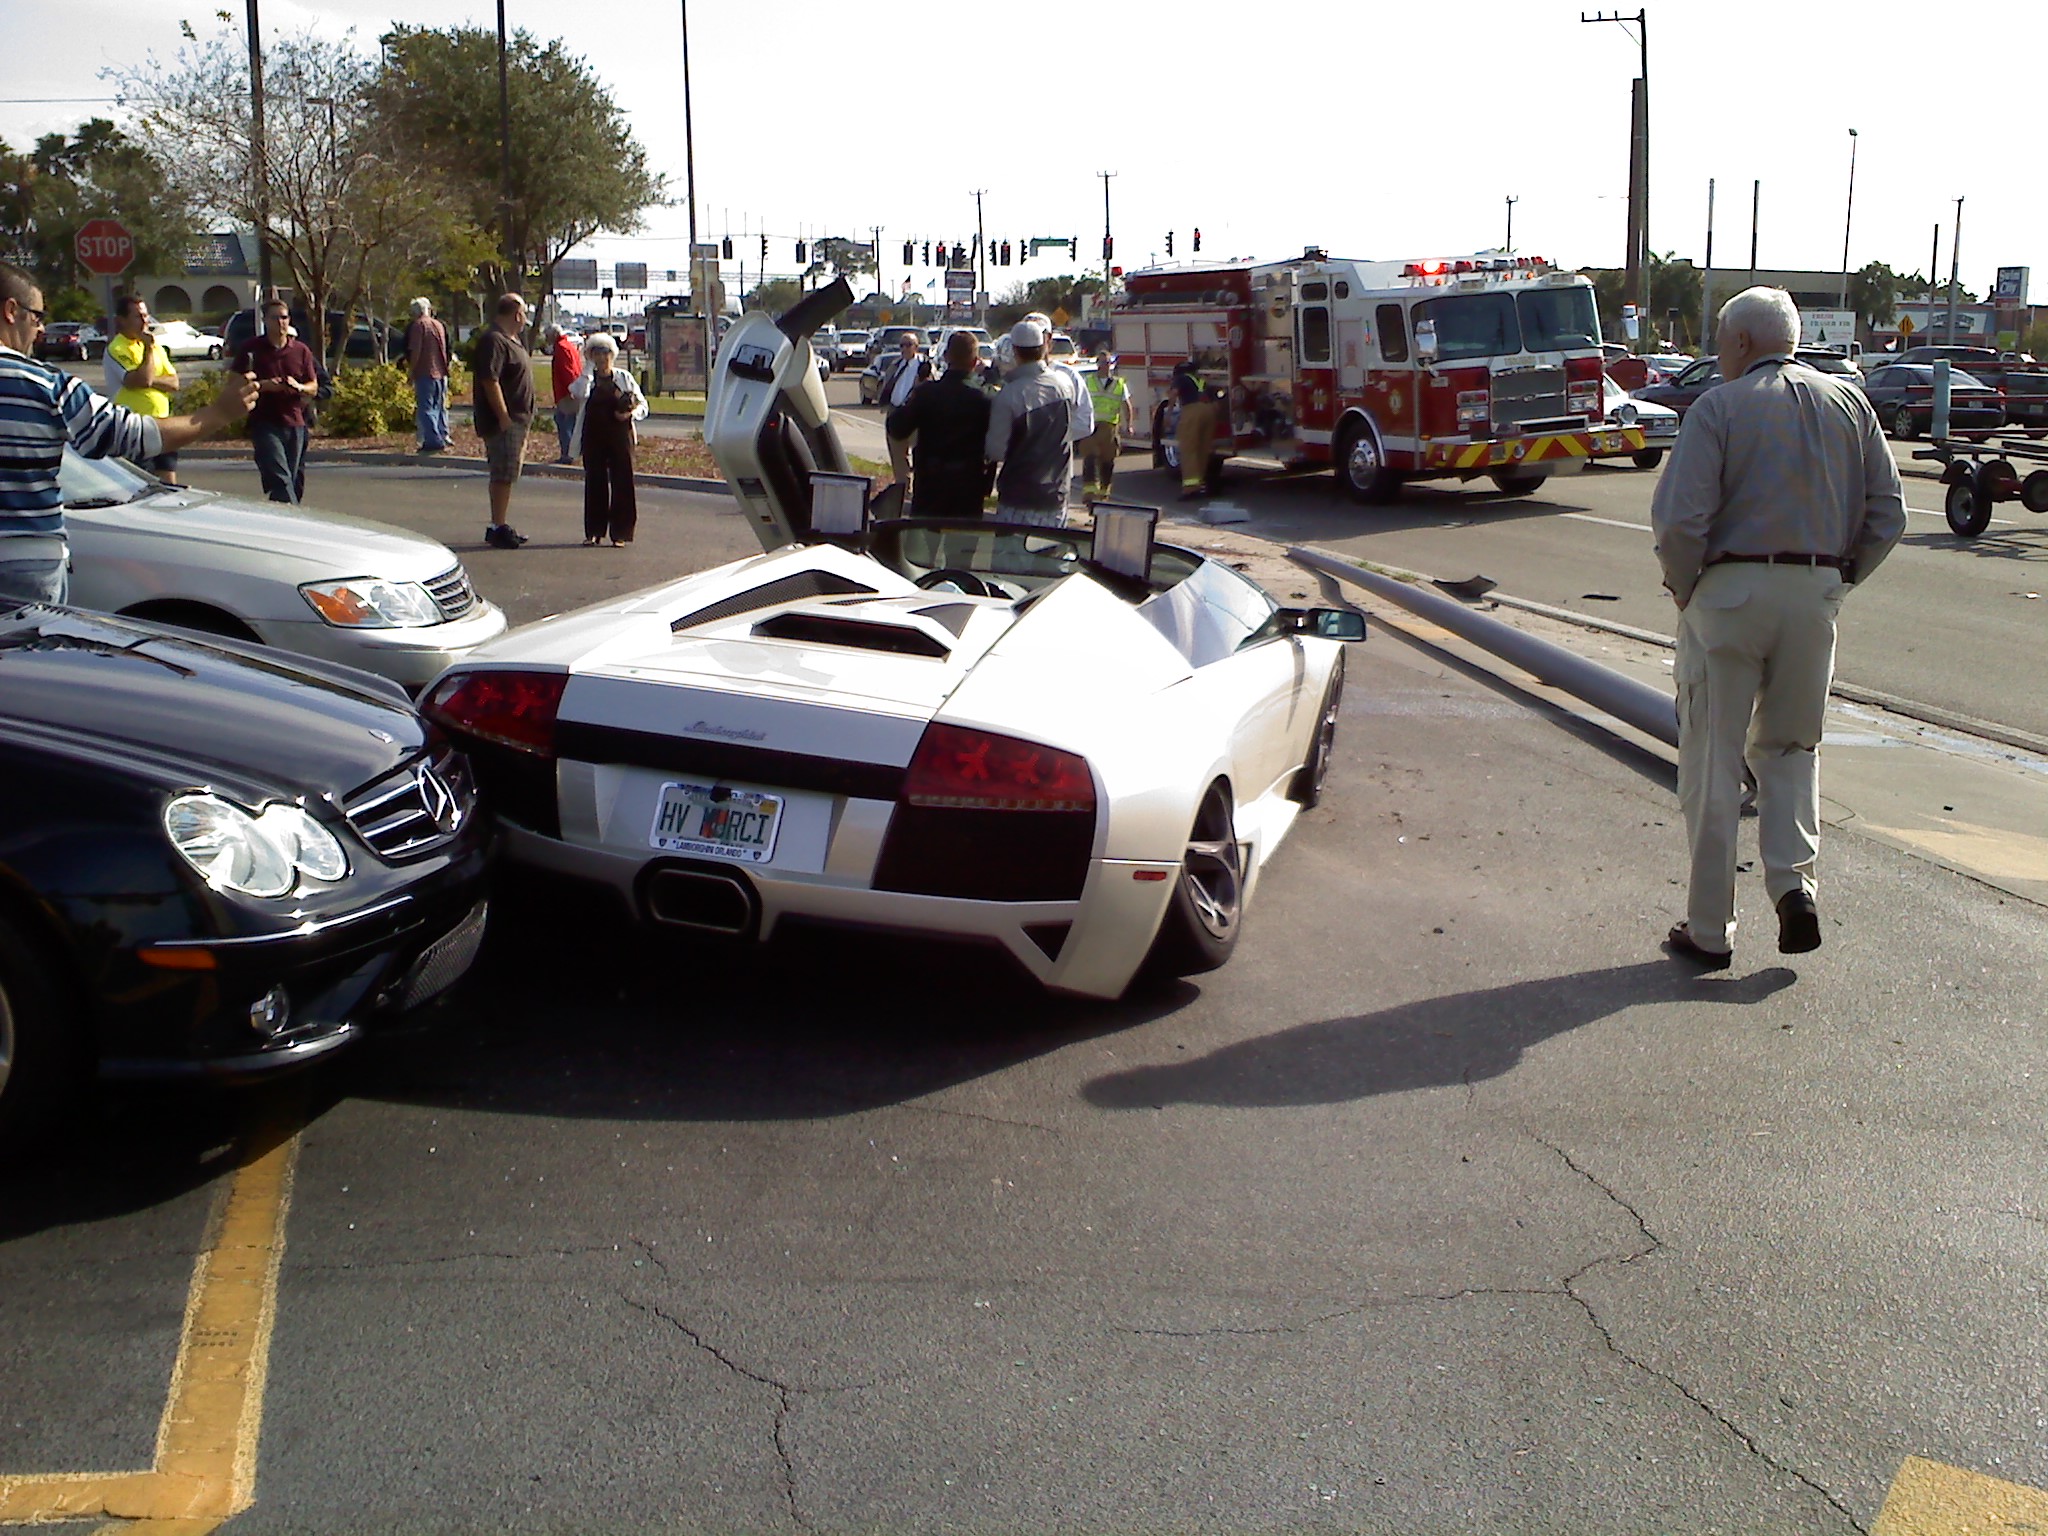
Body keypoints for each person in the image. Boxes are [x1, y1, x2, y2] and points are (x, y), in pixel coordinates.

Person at [1650, 286, 1906, 967]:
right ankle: (1794, 888)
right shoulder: (1851, 404)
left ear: (1738, 343)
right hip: (1815, 593)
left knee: (1713, 762)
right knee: (1793, 748)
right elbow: (1889, 512)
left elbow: (1679, 523)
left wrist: (1684, 590)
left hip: (1728, 596)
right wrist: (1839, 578)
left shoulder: (1718, 407)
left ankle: (1710, 930)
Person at [0, 260, 256, 604]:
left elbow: (169, 382)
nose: (40, 330)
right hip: (24, 565)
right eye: (37, 317)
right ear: (11, 311)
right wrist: (218, 413)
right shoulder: (43, 384)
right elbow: (131, 432)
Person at [887, 330, 992, 519]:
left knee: (922, 547)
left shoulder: (927, 393)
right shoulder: (984, 398)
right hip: (968, 489)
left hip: (930, 486)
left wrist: (914, 393)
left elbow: (896, 428)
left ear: (946, 357)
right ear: (975, 361)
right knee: (962, 547)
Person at [984, 319, 1075, 526]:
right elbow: (1077, 427)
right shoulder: (1064, 385)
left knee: (1013, 557)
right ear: (1044, 347)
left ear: (1015, 351)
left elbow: (996, 451)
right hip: (1056, 497)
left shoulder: (1008, 396)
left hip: (1019, 499)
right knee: (1050, 555)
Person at [232, 297, 318, 504]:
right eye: (275, 318)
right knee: (280, 478)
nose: (281, 322)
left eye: (284, 317)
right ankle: (296, 520)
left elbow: (313, 386)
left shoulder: (300, 350)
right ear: (264, 320)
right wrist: (263, 386)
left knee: (294, 479)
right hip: (265, 423)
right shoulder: (251, 349)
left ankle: (282, 519)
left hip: (295, 423)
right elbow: (234, 384)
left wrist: (298, 387)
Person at [565, 332, 647, 546]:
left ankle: (620, 533)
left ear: (613, 354)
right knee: (595, 482)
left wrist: (629, 414)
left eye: (606, 352)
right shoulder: (588, 381)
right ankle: (594, 531)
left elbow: (642, 405)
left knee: (623, 481)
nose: (602, 358)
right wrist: (587, 371)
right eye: (596, 353)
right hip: (594, 437)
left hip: (620, 436)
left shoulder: (623, 378)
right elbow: (578, 392)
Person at [473, 293, 535, 549]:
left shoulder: (513, 340)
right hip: (504, 422)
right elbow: (490, 380)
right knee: (503, 473)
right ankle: (497, 525)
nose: (525, 321)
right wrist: (503, 417)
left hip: (519, 418)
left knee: (509, 472)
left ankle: (500, 523)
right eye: (523, 315)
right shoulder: (494, 340)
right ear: (517, 314)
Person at [105, 295, 181, 482]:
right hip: (136, 428)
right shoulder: (117, 348)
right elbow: (139, 380)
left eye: (146, 316)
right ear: (122, 320)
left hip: (163, 425)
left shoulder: (157, 348)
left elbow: (174, 383)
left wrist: (148, 377)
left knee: (169, 483)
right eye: (138, 316)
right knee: (141, 483)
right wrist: (147, 353)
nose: (145, 321)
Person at [877, 331, 932, 494]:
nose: (904, 349)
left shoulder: (924, 366)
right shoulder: (895, 365)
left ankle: (921, 489)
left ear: (916, 347)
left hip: (916, 414)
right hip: (896, 414)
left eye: (908, 345)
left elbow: (932, 385)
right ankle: (902, 489)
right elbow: (887, 385)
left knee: (920, 452)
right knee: (897, 455)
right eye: (902, 345)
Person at [1081, 348, 1130, 503]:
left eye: (1108, 362)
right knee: (1089, 459)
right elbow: (1079, 402)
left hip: (1109, 428)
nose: (1105, 365)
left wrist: (1129, 425)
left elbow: (1126, 404)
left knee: (1107, 462)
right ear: (1097, 364)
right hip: (1091, 427)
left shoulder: (1119, 384)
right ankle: (1090, 494)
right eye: (1103, 362)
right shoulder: (1088, 381)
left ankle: (1104, 493)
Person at [1171, 355, 1220, 500]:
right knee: (1202, 450)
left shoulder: (1181, 379)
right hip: (1209, 411)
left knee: (1188, 450)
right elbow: (1217, 401)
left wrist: (1168, 414)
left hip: (1191, 411)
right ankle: (1200, 484)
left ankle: (1190, 489)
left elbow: (1174, 394)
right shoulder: (1202, 381)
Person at [405, 297, 450, 453]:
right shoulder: (438, 325)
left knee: (426, 408)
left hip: (425, 371)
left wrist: (412, 370)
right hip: (441, 372)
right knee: (439, 406)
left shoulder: (418, 326)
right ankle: (442, 435)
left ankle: (433, 441)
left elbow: (416, 351)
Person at [546, 323, 583, 463]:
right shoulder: (568, 345)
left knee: (564, 422)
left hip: (566, 392)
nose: (546, 339)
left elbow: (567, 370)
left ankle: (568, 454)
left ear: (554, 335)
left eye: (547, 336)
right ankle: (573, 452)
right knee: (568, 422)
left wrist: (571, 389)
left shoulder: (561, 348)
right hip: (571, 389)